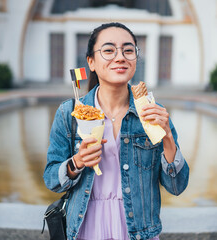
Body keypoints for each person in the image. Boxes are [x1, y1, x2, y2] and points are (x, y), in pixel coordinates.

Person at [44, 22, 189, 240]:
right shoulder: (70, 113)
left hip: (138, 232)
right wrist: (77, 162)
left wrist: (167, 137)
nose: (120, 57)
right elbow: (51, 180)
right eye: (109, 50)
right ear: (91, 62)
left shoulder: (151, 113)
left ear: (135, 59)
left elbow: (176, 186)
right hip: (85, 229)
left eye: (128, 50)